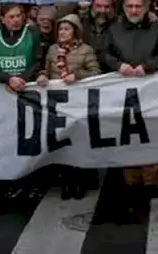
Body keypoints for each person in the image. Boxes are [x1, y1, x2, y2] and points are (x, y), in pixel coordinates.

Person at [98, 0, 158, 206]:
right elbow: (104, 54)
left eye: (138, 6)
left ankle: (150, 180)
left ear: (146, 8)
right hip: (123, 90)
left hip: (149, 89)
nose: (134, 10)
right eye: (130, 6)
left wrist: (147, 67)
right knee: (126, 133)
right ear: (124, 8)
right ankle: (130, 180)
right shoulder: (114, 29)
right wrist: (119, 66)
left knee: (150, 133)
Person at [40, 14, 102, 200]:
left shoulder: (86, 50)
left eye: (67, 29)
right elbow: (47, 69)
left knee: (79, 143)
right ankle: (66, 182)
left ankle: (81, 182)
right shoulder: (52, 50)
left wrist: (77, 75)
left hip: (79, 104)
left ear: (76, 32)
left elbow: (96, 72)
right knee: (62, 144)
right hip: (57, 104)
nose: (63, 32)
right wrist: (42, 76)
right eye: (60, 29)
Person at [0, 4, 45, 89]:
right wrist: (8, 79)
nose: (16, 20)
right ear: (2, 19)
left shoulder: (32, 33)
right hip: (2, 88)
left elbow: (38, 63)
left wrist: (20, 79)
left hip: (28, 86)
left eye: (18, 16)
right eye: (11, 17)